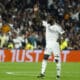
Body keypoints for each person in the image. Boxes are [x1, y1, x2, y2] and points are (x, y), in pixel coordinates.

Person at [37, 15, 65, 80]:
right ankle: (42, 74)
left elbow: (63, 34)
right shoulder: (47, 24)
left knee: (57, 60)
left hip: (55, 44)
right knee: (45, 58)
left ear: (53, 19)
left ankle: (58, 76)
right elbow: (39, 20)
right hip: (48, 45)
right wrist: (36, 12)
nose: (48, 19)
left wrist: (61, 39)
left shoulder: (58, 27)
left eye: (49, 18)